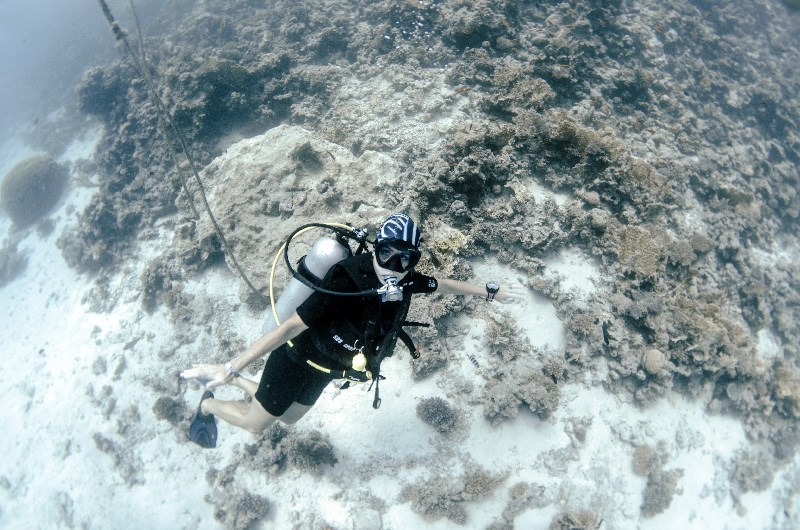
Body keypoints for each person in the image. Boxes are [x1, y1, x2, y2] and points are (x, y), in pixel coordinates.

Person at [180, 213, 519, 448]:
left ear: (413, 261)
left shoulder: (407, 281)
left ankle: (243, 385)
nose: (393, 268)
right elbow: (292, 325)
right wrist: (233, 366)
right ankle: (208, 405)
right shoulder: (346, 281)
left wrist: (489, 292)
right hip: (295, 360)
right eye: (385, 254)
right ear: (375, 249)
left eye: (405, 259)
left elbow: (442, 284)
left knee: (290, 418)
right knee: (256, 425)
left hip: (328, 369)